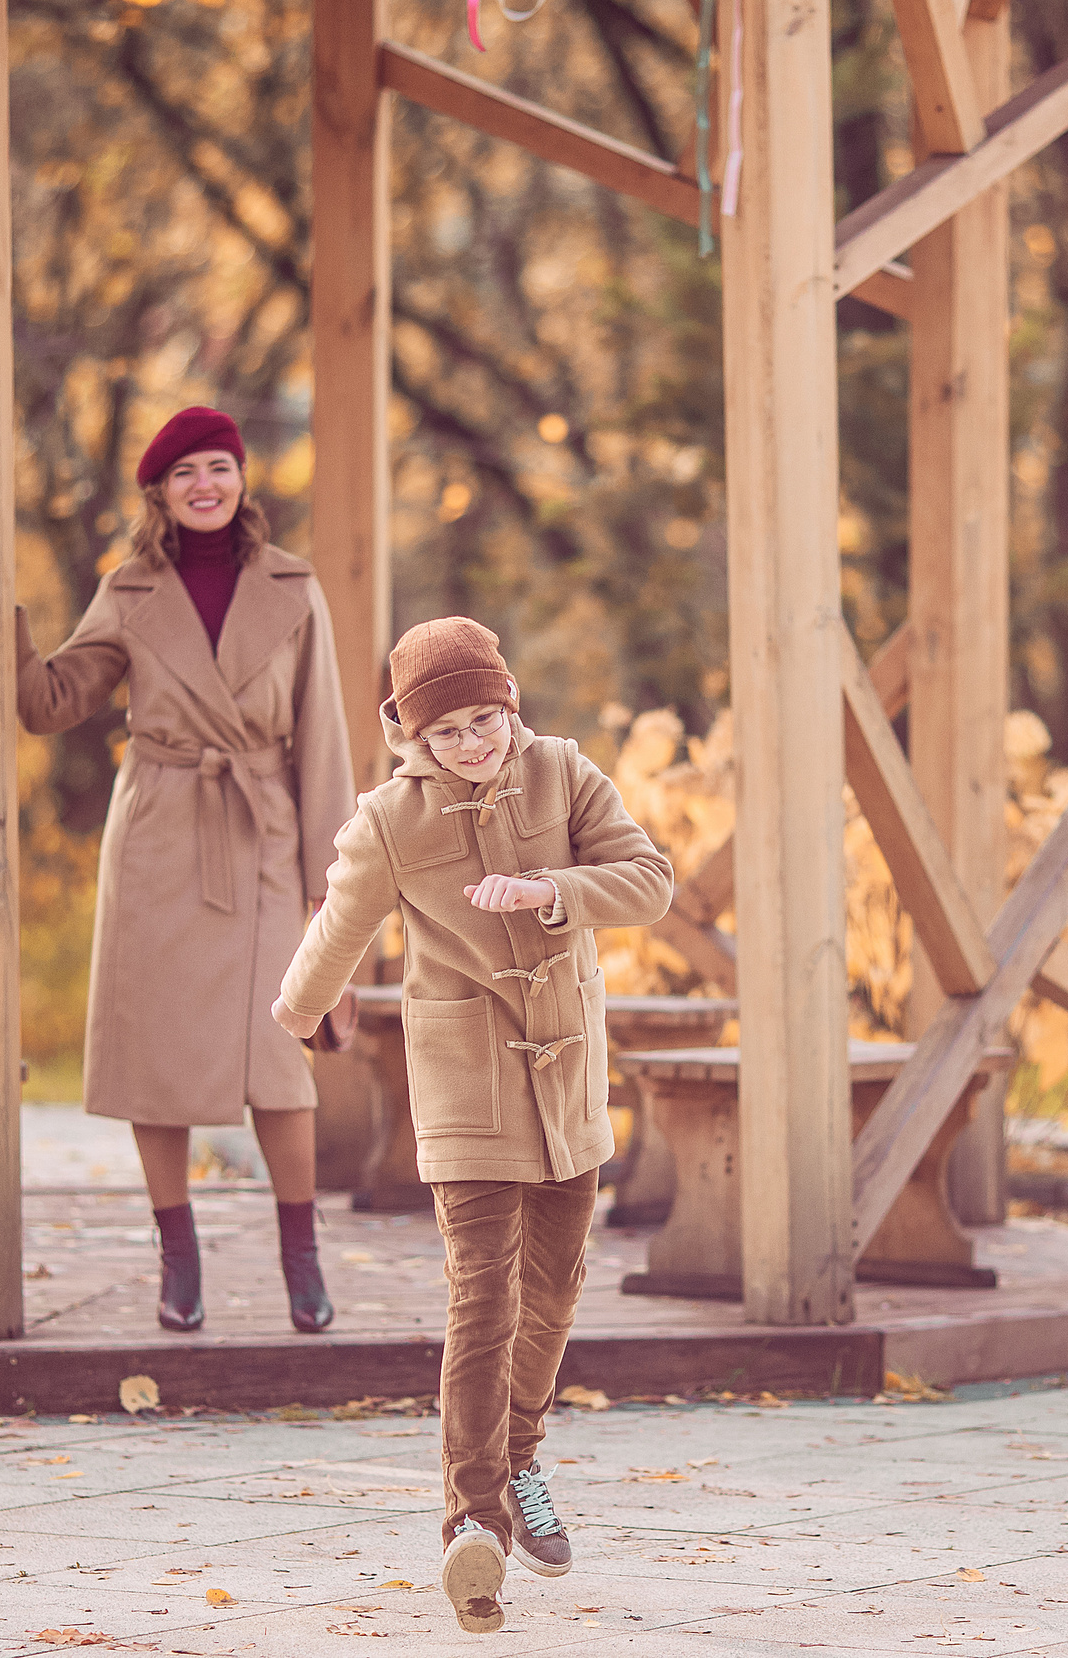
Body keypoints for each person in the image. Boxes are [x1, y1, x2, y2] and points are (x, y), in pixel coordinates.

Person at [270, 617, 673, 1633]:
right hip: (466, 1084)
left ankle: (521, 1455)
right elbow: (337, 930)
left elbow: (650, 882)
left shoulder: (566, 776)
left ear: (511, 706)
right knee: (480, 1296)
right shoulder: (389, 822)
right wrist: (293, 1018)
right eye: (446, 732)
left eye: (486, 721)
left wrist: (553, 890)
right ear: (411, 735)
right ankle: (470, 1521)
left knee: (557, 1288)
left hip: (568, 1081)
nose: (473, 744)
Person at [16, 405, 353, 1334]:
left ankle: (302, 1258)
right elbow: (52, 701)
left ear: (241, 479)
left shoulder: (295, 587)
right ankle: (179, 1260)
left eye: (219, 466)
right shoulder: (128, 593)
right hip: (162, 829)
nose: (205, 484)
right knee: (157, 1061)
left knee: (283, 1057)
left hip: (264, 835)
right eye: (184, 473)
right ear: (158, 494)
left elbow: (323, 733)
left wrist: (334, 874)